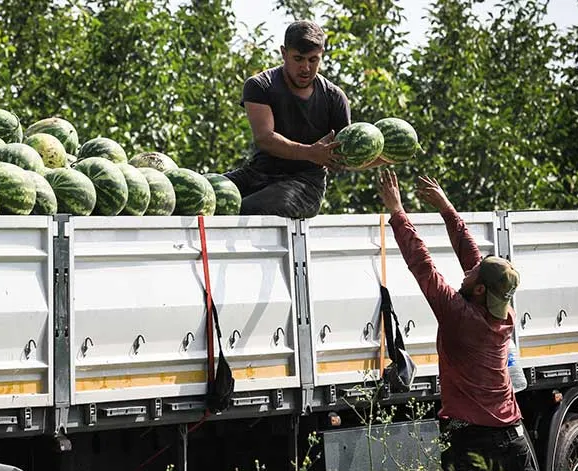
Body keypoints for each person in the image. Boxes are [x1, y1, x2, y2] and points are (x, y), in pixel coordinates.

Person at [377, 169, 535, 471]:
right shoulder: (504, 314)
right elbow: (470, 254)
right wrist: (445, 207)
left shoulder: (460, 318)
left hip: (474, 442)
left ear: (479, 289)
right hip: (514, 439)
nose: (468, 269)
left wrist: (397, 211)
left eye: (474, 272)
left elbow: (423, 266)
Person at [225, 20, 382, 219]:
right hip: (258, 174)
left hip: (306, 186)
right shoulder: (260, 86)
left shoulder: (334, 97)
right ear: (284, 53)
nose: (306, 68)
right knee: (210, 193)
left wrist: (385, 157)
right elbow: (264, 138)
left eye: (313, 60)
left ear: (322, 55)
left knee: (247, 210)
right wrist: (310, 152)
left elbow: (347, 156)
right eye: (298, 59)